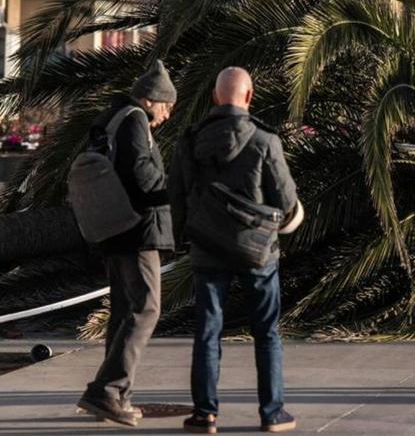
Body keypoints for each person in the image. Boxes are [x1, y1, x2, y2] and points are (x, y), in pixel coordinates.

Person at [169, 67, 299, 434]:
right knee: (267, 332)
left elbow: (176, 198)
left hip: (207, 251)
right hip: (258, 253)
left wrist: (183, 239)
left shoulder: (189, 141)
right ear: (249, 96)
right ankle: (272, 413)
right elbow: (286, 201)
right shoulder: (264, 140)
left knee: (207, 332)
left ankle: (204, 414)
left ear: (214, 97)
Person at [77, 61, 177, 426]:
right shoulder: (134, 119)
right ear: (150, 100)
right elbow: (140, 172)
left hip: (116, 230)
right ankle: (107, 390)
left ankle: (115, 396)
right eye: (166, 106)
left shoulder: (113, 117)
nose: (167, 115)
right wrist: (173, 191)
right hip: (138, 231)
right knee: (147, 307)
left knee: (123, 311)